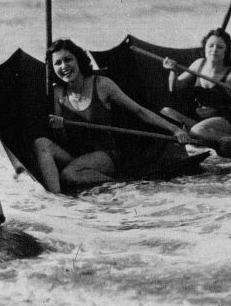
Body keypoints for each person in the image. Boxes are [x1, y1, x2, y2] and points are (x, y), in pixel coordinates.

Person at [33, 38, 190, 193]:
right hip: (75, 155)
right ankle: (56, 199)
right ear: (52, 68)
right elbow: (61, 137)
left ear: (79, 60)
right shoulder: (57, 92)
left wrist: (175, 129)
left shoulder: (101, 84)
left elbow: (139, 111)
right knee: (41, 143)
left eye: (68, 60)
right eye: (57, 63)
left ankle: (120, 186)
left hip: (105, 155)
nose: (64, 66)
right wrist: (58, 127)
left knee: (69, 174)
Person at [160, 28, 231, 143]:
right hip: (198, 121)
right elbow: (174, 87)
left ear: (226, 51)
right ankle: (199, 137)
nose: (214, 50)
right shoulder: (198, 64)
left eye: (220, 47)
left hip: (223, 123)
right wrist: (173, 71)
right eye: (211, 45)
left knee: (197, 130)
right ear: (205, 47)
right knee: (166, 112)